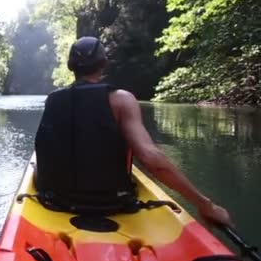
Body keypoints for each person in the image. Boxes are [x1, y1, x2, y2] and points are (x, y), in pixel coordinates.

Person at [34, 36, 232, 226]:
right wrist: (205, 204)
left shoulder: (53, 99)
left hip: (56, 201)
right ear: (104, 62)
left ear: (70, 66)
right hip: (110, 203)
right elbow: (150, 158)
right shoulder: (121, 99)